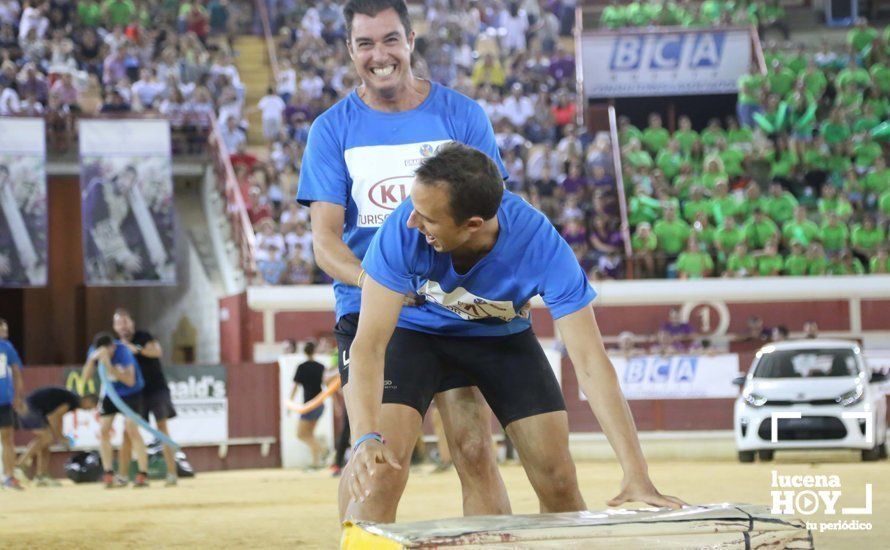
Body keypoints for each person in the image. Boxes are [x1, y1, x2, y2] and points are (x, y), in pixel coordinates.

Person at [344, 143, 683, 522]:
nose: (411, 222)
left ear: (473, 224)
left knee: (557, 478)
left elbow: (590, 361)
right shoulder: (403, 228)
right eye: (414, 209)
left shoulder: (540, 244)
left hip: (499, 337)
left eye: (427, 218)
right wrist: (364, 437)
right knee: (380, 471)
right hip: (415, 333)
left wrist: (635, 470)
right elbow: (369, 345)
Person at [297, 0, 510, 517]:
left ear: (411, 41)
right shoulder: (331, 129)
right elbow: (325, 243)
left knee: (477, 451)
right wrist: (381, 286)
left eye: (390, 39)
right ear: (350, 50)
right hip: (375, 316)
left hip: (455, 310)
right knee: (379, 464)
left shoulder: (461, 115)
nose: (380, 54)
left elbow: (494, 218)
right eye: (365, 43)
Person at [113, 308, 178, 486]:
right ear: (115, 327)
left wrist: (136, 350)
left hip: (156, 389)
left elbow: (157, 351)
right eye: (120, 323)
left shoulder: (143, 336)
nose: (124, 326)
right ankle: (123, 476)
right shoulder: (116, 347)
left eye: (126, 322)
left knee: (162, 428)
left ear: (132, 323)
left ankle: (172, 474)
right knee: (127, 432)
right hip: (135, 394)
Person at [81, 332, 150, 488]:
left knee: (132, 429)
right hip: (111, 393)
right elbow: (85, 378)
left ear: (113, 346)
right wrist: (92, 360)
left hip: (132, 394)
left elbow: (130, 381)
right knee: (104, 430)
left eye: (109, 350)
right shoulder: (94, 350)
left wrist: (110, 367)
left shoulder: (123, 351)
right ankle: (108, 472)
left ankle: (143, 473)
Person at [15, 388, 99, 486]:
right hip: (29, 408)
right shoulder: (73, 400)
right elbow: (53, 418)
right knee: (47, 438)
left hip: (35, 409)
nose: (87, 410)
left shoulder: (72, 400)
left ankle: (41, 476)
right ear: (87, 399)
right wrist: (60, 438)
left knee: (47, 441)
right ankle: (20, 465)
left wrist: (61, 436)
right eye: (90, 407)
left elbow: (58, 417)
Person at [290, 341, 326, 468]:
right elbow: (327, 384)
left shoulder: (302, 367)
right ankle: (316, 461)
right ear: (314, 351)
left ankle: (322, 451)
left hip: (309, 405)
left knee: (301, 434)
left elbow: (295, 387)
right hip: (320, 404)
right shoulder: (320, 366)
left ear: (304, 352)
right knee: (310, 434)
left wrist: (290, 402)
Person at [0, 318, 25, 490]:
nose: (6, 334)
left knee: (7, 438)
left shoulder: (7, 348)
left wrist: (17, 395)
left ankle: (9, 476)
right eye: (2, 330)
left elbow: (16, 371)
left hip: (3, 400)